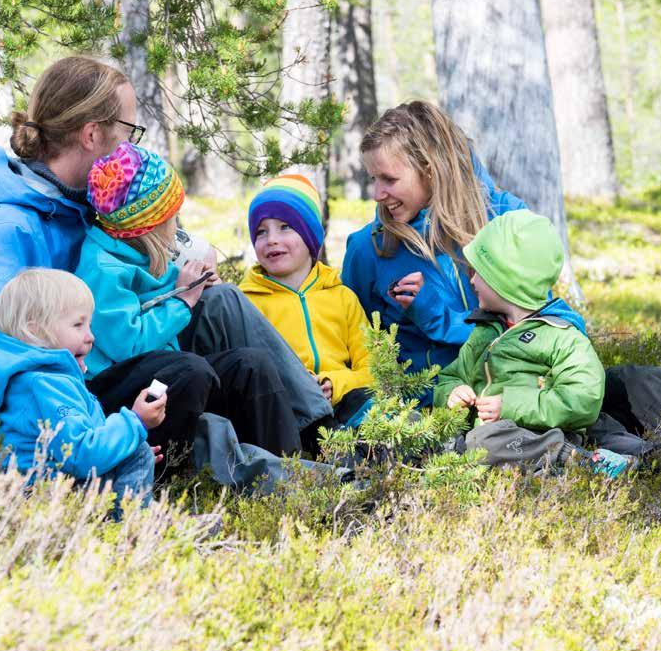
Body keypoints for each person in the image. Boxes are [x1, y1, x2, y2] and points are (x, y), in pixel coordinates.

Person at [0, 55, 330, 449]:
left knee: (221, 300)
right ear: (91, 135)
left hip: (116, 355)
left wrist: (188, 283)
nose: (132, 144)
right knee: (187, 372)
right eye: (128, 129)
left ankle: (322, 431)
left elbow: (147, 263)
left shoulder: (94, 206)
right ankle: (253, 465)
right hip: (62, 398)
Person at [76, 141, 303, 457]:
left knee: (251, 365)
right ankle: (169, 472)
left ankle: (291, 473)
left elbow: (162, 287)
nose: (176, 226)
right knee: (192, 370)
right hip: (118, 391)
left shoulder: (136, 252)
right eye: (171, 218)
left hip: (158, 373)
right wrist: (183, 301)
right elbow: (127, 345)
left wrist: (198, 284)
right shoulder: (100, 267)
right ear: (149, 226)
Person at [341, 101, 526, 400]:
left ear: (430, 169)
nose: (377, 194)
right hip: (428, 413)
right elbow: (354, 344)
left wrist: (437, 318)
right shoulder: (368, 249)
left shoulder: (507, 218)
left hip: (515, 396)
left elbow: (537, 322)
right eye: (373, 179)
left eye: (389, 179)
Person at [433, 210, 636, 478]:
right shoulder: (485, 331)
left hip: (534, 436)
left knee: (486, 443)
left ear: (506, 279)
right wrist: (452, 392)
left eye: (479, 273)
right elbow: (452, 375)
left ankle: (582, 462)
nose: (471, 280)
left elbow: (582, 400)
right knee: (423, 428)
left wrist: (509, 405)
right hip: (482, 435)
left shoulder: (561, 335)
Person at [0, 269, 166, 513]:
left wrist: (120, 453)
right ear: (36, 331)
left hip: (25, 489)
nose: (90, 336)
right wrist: (135, 422)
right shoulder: (48, 385)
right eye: (78, 325)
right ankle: (135, 523)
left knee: (129, 451)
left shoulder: (20, 377)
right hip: (51, 495)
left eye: (89, 324)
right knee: (137, 449)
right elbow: (80, 455)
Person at [240, 174, 374, 443]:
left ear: (311, 236)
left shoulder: (341, 297)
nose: (271, 240)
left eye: (285, 227)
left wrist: (335, 383)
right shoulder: (248, 302)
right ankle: (332, 454)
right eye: (261, 232)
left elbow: (373, 368)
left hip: (341, 402)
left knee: (370, 402)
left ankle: (357, 451)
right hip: (285, 410)